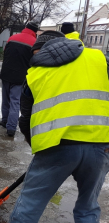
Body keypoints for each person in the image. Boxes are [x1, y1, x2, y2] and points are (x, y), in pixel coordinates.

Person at [9, 30, 109, 222]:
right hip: (100, 144)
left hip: (56, 146)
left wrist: (38, 148)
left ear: (43, 50)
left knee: (30, 203)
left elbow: (25, 120)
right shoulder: (98, 58)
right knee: (88, 208)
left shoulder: (35, 74)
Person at [0, 21, 38, 137]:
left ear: (26, 28)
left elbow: (5, 54)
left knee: (5, 100)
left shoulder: (12, 38)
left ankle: (5, 121)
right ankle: (11, 128)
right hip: (20, 77)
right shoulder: (34, 43)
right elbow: (34, 62)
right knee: (15, 102)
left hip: (6, 74)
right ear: (35, 32)